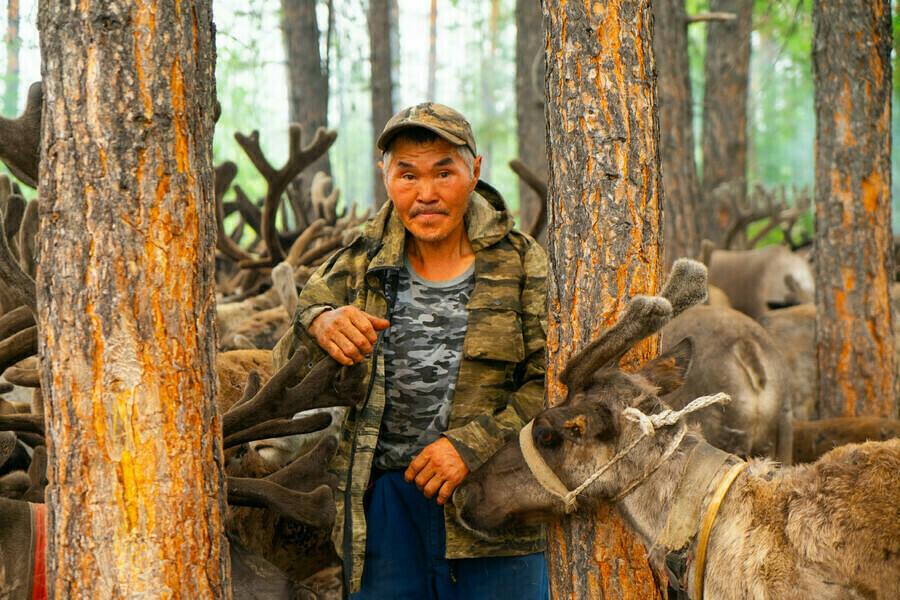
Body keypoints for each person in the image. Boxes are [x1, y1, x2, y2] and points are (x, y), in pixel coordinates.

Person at [273, 102, 549, 599]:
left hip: (499, 507)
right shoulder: (356, 264)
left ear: (475, 171)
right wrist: (319, 322)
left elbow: (552, 384)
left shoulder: (524, 263)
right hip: (385, 511)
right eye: (408, 175)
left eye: (444, 172)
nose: (426, 194)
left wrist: (471, 446)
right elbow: (284, 372)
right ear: (386, 177)